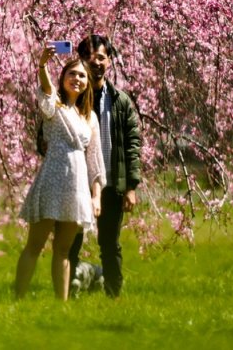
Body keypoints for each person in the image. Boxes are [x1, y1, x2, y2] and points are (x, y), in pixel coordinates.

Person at [15, 46, 106, 300]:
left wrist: (96, 195)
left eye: (81, 76)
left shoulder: (90, 118)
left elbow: (94, 160)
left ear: (88, 83)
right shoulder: (54, 106)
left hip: (76, 188)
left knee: (63, 250)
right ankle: (18, 299)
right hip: (52, 182)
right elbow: (46, 89)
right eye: (72, 74)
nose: (76, 79)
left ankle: (61, 305)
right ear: (63, 77)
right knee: (34, 245)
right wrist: (43, 65)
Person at [69, 34, 142, 298]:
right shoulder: (71, 99)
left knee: (109, 244)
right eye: (89, 56)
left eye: (101, 57)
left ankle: (113, 295)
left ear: (109, 61)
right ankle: (67, 293)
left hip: (111, 184)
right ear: (80, 59)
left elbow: (133, 144)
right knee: (72, 242)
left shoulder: (120, 102)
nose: (94, 62)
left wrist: (131, 187)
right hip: (77, 184)